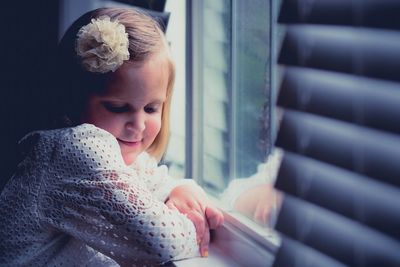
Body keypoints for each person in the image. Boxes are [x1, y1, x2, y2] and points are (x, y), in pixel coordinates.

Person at [0, 7, 223, 267]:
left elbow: (150, 181)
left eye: (151, 108)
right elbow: (163, 245)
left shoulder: (123, 157)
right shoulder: (75, 147)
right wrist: (194, 223)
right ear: (72, 101)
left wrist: (180, 188)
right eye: (118, 107)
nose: (138, 125)